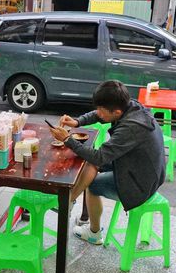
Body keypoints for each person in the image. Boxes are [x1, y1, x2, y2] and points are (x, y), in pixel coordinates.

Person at [49, 80, 166, 245]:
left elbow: (99, 157)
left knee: (93, 184)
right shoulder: (130, 106)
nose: (98, 113)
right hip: (139, 165)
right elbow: (100, 116)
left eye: (101, 110)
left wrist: (67, 139)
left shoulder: (131, 128)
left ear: (117, 112)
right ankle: (68, 201)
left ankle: (94, 233)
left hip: (141, 181)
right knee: (90, 164)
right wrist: (78, 122)